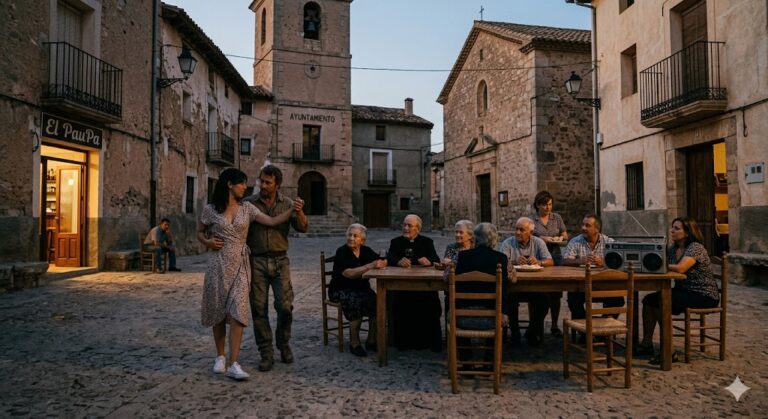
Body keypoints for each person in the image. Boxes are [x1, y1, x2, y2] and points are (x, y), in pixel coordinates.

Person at [197, 168, 294, 380]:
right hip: (218, 264)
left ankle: (234, 363)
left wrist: (294, 209)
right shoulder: (210, 210)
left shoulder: (248, 208)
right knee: (218, 311)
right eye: (241, 183)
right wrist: (208, 241)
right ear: (230, 184)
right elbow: (199, 232)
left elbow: (273, 221)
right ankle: (220, 357)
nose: (246, 187)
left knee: (239, 313)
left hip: (242, 264)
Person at [244, 165, 308, 372]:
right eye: (261, 181)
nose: (263, 185)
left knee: (285, 306)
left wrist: (299, 212)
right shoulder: (249, 204)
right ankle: (266, 352)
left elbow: (303, 227)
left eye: (267, 182)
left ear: (277, 184)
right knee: (258, 308)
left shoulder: (287, 204)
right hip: (257, 261)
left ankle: (283, 343)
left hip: (281, 261)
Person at [639, 217, 720, 364]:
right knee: (648, 300)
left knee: (660, 301)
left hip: (703, 294)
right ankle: (646, 344)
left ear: (688, 232)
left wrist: (658, 264)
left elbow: (681, 268)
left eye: (677, 228)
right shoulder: (673, 248)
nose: (672, 231)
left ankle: (669, 351)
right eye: (672, 227)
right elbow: (664, 262)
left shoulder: (695, 247)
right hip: (684, 290)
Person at [453, 223, 509, 364]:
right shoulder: (501, 259)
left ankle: (465, 358)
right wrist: (505, 313)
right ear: (494, 239)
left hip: (462, 318)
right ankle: (490, 360)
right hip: (491, 319)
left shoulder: (463, 257)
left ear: (475, 239)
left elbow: (452, 280)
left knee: (456, 307)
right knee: (499, 307)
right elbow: (505, 291)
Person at [330, 223, 387, 357]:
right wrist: (371, 265)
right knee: (354, 302)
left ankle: (371, 340)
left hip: (361, 289)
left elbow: (382, 260)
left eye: (355, 236)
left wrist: (382, 262)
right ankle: (354, 343)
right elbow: (349, 274)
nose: (351, 238)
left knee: (377, 302)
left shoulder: (366, 251)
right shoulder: (342, 252)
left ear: (362, 240)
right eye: (349, 235)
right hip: (341, 289)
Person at [387, 214, 441, 351]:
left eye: (409, 226)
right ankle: (402, 342)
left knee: (431, 302)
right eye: (404, 225)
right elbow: (390, 256)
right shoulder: (395, 242)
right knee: (398, 301)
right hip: (402, 285)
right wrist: (398, 261)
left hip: (424, 286)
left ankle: (429, 342)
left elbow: (435, 258)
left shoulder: (427, 242)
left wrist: (429, 261)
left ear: (418, 229)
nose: (405, 228)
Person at [498, 217, 553, 346]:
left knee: (545, 299)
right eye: (516, 229)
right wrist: (513, 261)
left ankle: (532, 330)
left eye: (521, 230)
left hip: (534, 286)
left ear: (531, 233)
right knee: (509, 299)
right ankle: (515, 332)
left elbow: (550, 261)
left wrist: (539, 262)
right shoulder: (508, 243)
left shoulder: (538, 242)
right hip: (514, 286)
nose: (517, 232)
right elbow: (500, 262)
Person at [562, 214, 623, 321]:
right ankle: (585, 331)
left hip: (604, 286)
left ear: (597, 229)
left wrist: (604, 262)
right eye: (583, 224)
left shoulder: (609, 242)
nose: (583, 228)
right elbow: (565, 260)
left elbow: (620, 262)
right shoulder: (575, 241)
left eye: (587, 225)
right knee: (573, 298)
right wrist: (581, 260)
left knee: (617, 299)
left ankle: (604, 330)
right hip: (582, 287)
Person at [531, 191, 568, 338]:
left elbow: (565, 234)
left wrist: (560, 237)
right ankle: (535, 324)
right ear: (538, 205)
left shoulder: (556, 218)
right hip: (538, 256)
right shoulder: (532, 220)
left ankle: (554, 324)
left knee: (556, 293)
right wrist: (541, 238)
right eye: (545, 204)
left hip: (555, 256)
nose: (548, 207)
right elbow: (530, 236)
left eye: (550, 204)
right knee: (537, 290)